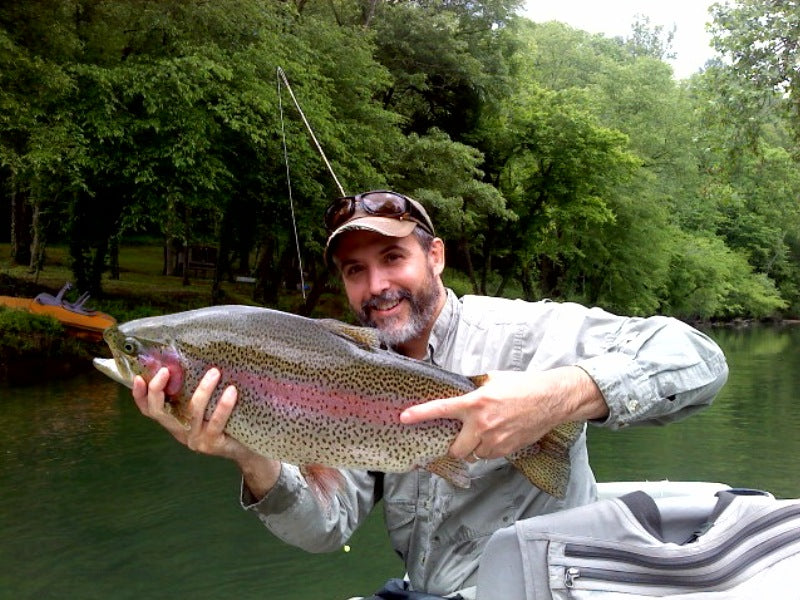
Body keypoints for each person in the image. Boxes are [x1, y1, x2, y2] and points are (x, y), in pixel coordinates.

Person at [132, 190, 729, 599]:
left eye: (393, 258)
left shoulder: (527, 333)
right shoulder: (340, 375)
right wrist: (251, 454)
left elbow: (699, 358)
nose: (378, 285)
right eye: (355, 271)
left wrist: (564, 395)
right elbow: (326, 528)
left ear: (435, 254)